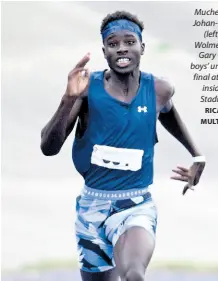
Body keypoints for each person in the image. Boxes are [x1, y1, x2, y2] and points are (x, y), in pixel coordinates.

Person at [40, 11, 206, 281]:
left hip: (136, 204)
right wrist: (67, 99)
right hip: (91, 209)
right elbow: (49, 147)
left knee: (134, 274)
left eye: (129, 42)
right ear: (104, 51)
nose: (122, 49)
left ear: (142, 47)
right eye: (113, 44)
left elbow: (168, 113)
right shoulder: (86, 90)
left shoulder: (159, 89)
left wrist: (197, 154)